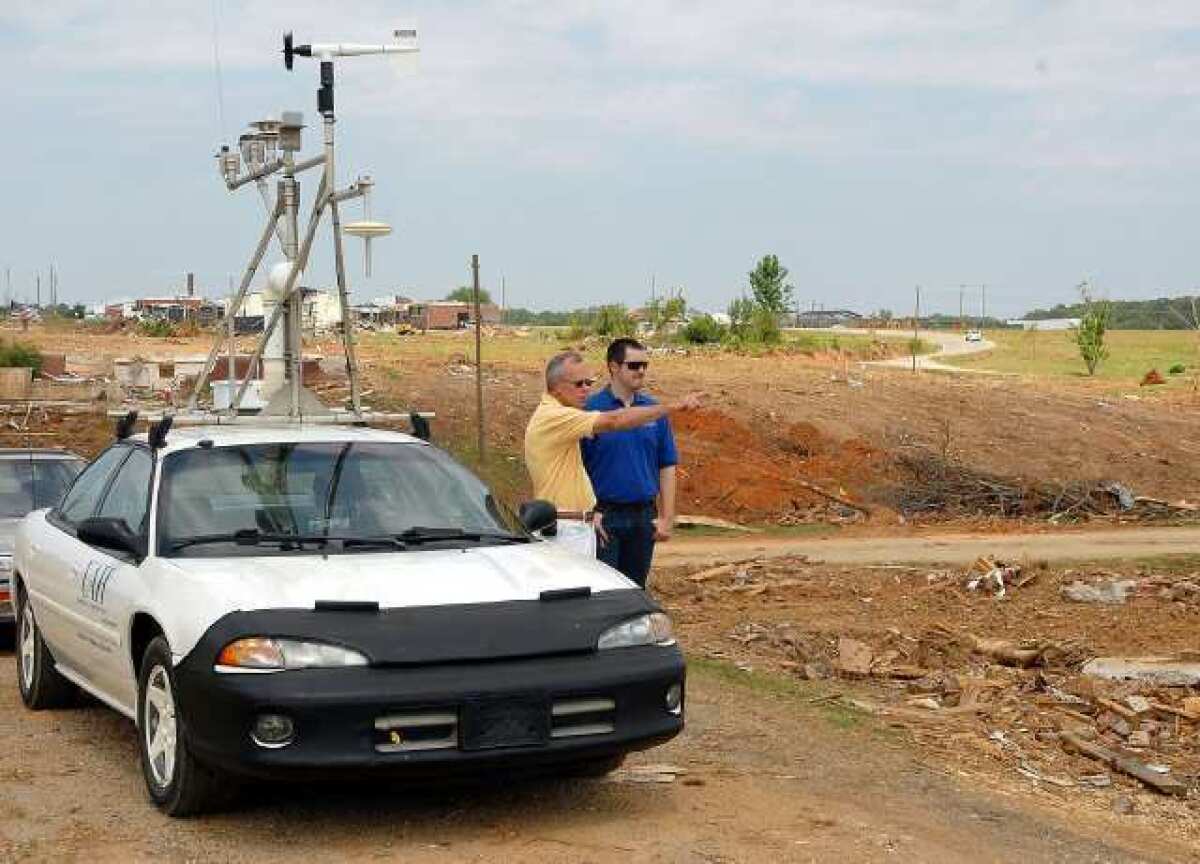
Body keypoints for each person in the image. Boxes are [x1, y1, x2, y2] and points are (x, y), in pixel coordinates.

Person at [524, 350, 701, 555]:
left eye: (588, 383)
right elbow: (614, 421)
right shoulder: (554, 416)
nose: (585, 390)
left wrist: (589, 515)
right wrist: (673, 406)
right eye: (578, 384)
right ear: (556, 388)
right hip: (565, 529)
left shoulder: (560, 416)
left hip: (577, 523)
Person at [581, 338, 680, 587]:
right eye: (634, 365)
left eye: (645, 365)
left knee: (635, 590)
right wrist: (587, 512)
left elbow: (667, 464)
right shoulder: (590, 411)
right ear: (613, 367)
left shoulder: (653, 410)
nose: (642, 371)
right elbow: (576, 468)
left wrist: (667, 516)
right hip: (605, 517)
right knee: (605, 591)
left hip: (643, 516)